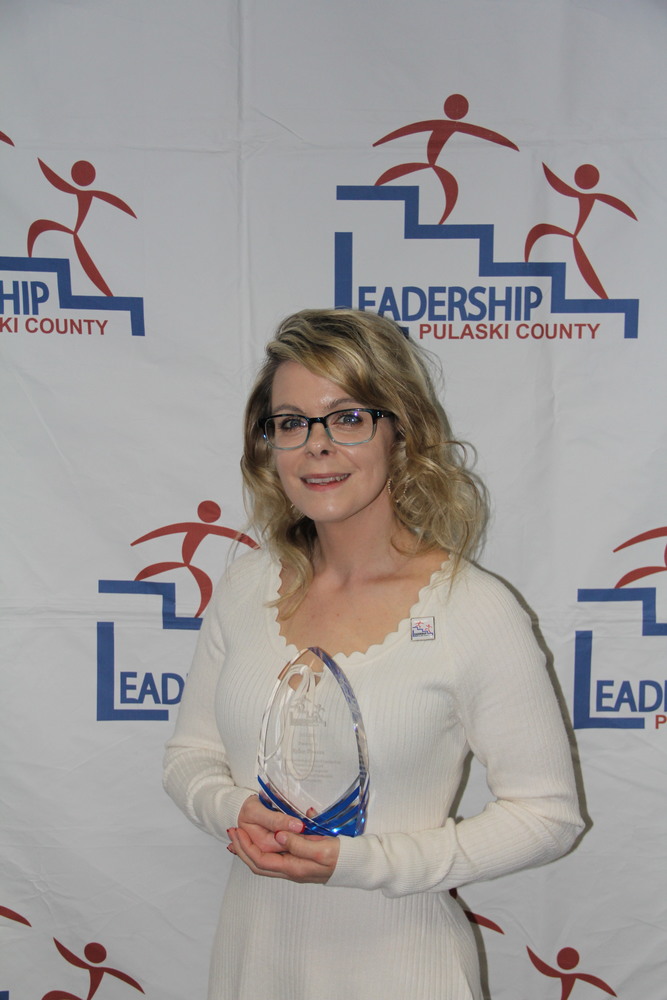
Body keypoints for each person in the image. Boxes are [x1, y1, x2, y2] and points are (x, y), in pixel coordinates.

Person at [163, 308, 584, 1000]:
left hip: (404, 970)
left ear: (401, 432)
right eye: (290, 422)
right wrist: (229, 807)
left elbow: (547, 816)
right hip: (253, 964)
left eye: (348, 417)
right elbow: (188, 757)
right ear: (267, 445)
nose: (316, 447)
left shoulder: (472, 609)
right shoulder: (242, 586)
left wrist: (361, 863)